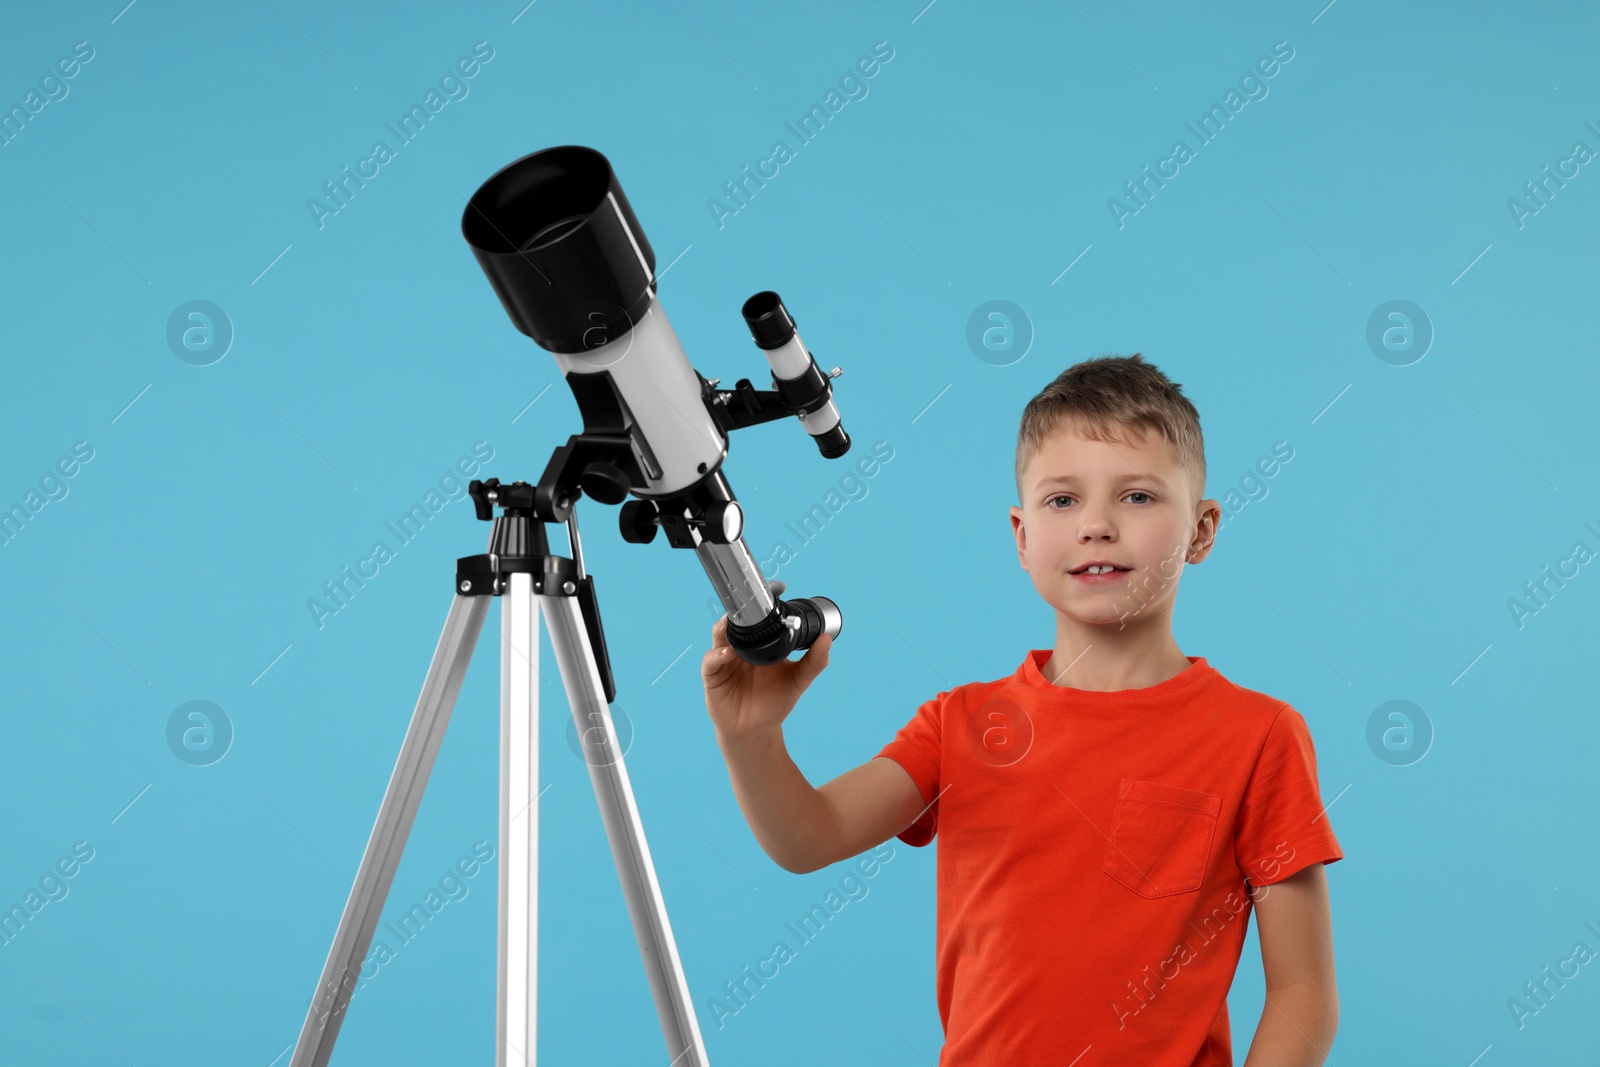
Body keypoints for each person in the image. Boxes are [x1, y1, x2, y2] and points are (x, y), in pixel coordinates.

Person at [701, 354, 1342, 1065]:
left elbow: (1303, 990)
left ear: (1202, 528)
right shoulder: (959, 724)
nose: (1096, 524)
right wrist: (751, 737)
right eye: (1062, 500)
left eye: (1138, 497)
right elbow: (808, 837)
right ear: (1022, 535)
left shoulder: (1257, 735)